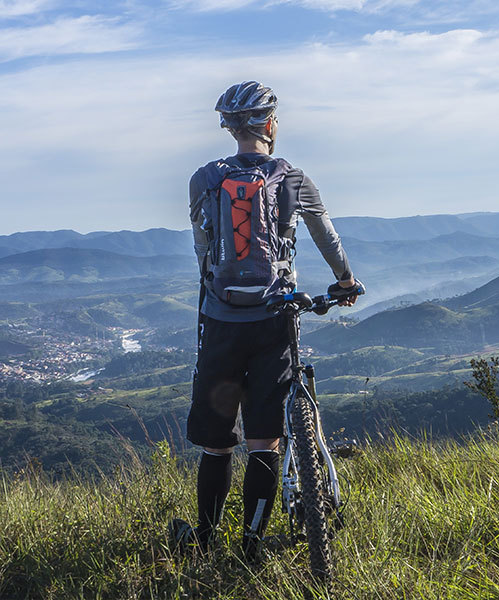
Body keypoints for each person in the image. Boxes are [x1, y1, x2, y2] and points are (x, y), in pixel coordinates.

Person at [171, 81, 360, 562]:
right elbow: (327, 238)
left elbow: (202, 249)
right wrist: (345, 281)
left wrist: (217, 293)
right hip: (274, 319)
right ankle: (251, 547)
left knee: (216, 446)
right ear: (271, 125)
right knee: (264, 441)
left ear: (230, 128)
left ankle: (206, 542)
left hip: (220, 320)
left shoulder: (203, 179)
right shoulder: (293, 178)